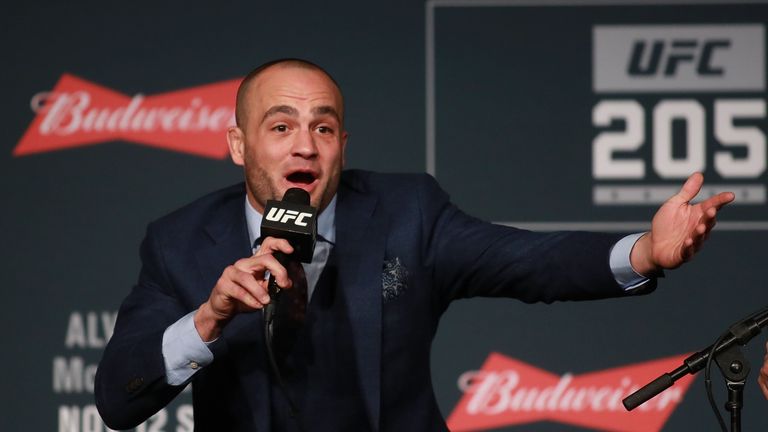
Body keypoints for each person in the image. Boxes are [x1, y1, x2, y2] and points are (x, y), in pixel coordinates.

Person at [94, 58, 734, 431]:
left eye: (324, 127)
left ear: (344, 145)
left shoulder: (407, 213)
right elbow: (117, 400)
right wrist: (207, 320)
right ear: (239, 146)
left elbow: (526, 261)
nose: (304, 146)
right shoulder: (180, 241)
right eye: (280, 126)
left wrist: (644, 252)